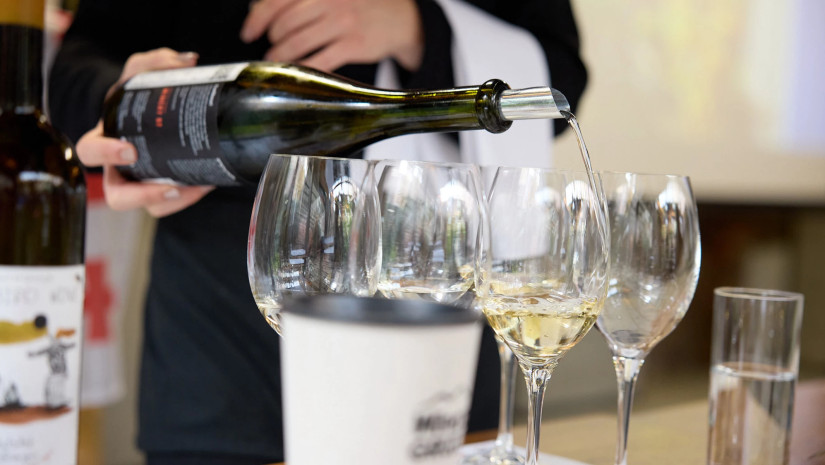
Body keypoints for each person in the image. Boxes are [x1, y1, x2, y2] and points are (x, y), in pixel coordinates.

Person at [49, 0, 587, 463]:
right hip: (222, 346)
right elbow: (73, 73)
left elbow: (559, 86)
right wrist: (128, 105)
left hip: (433, 316)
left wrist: (416, 25)